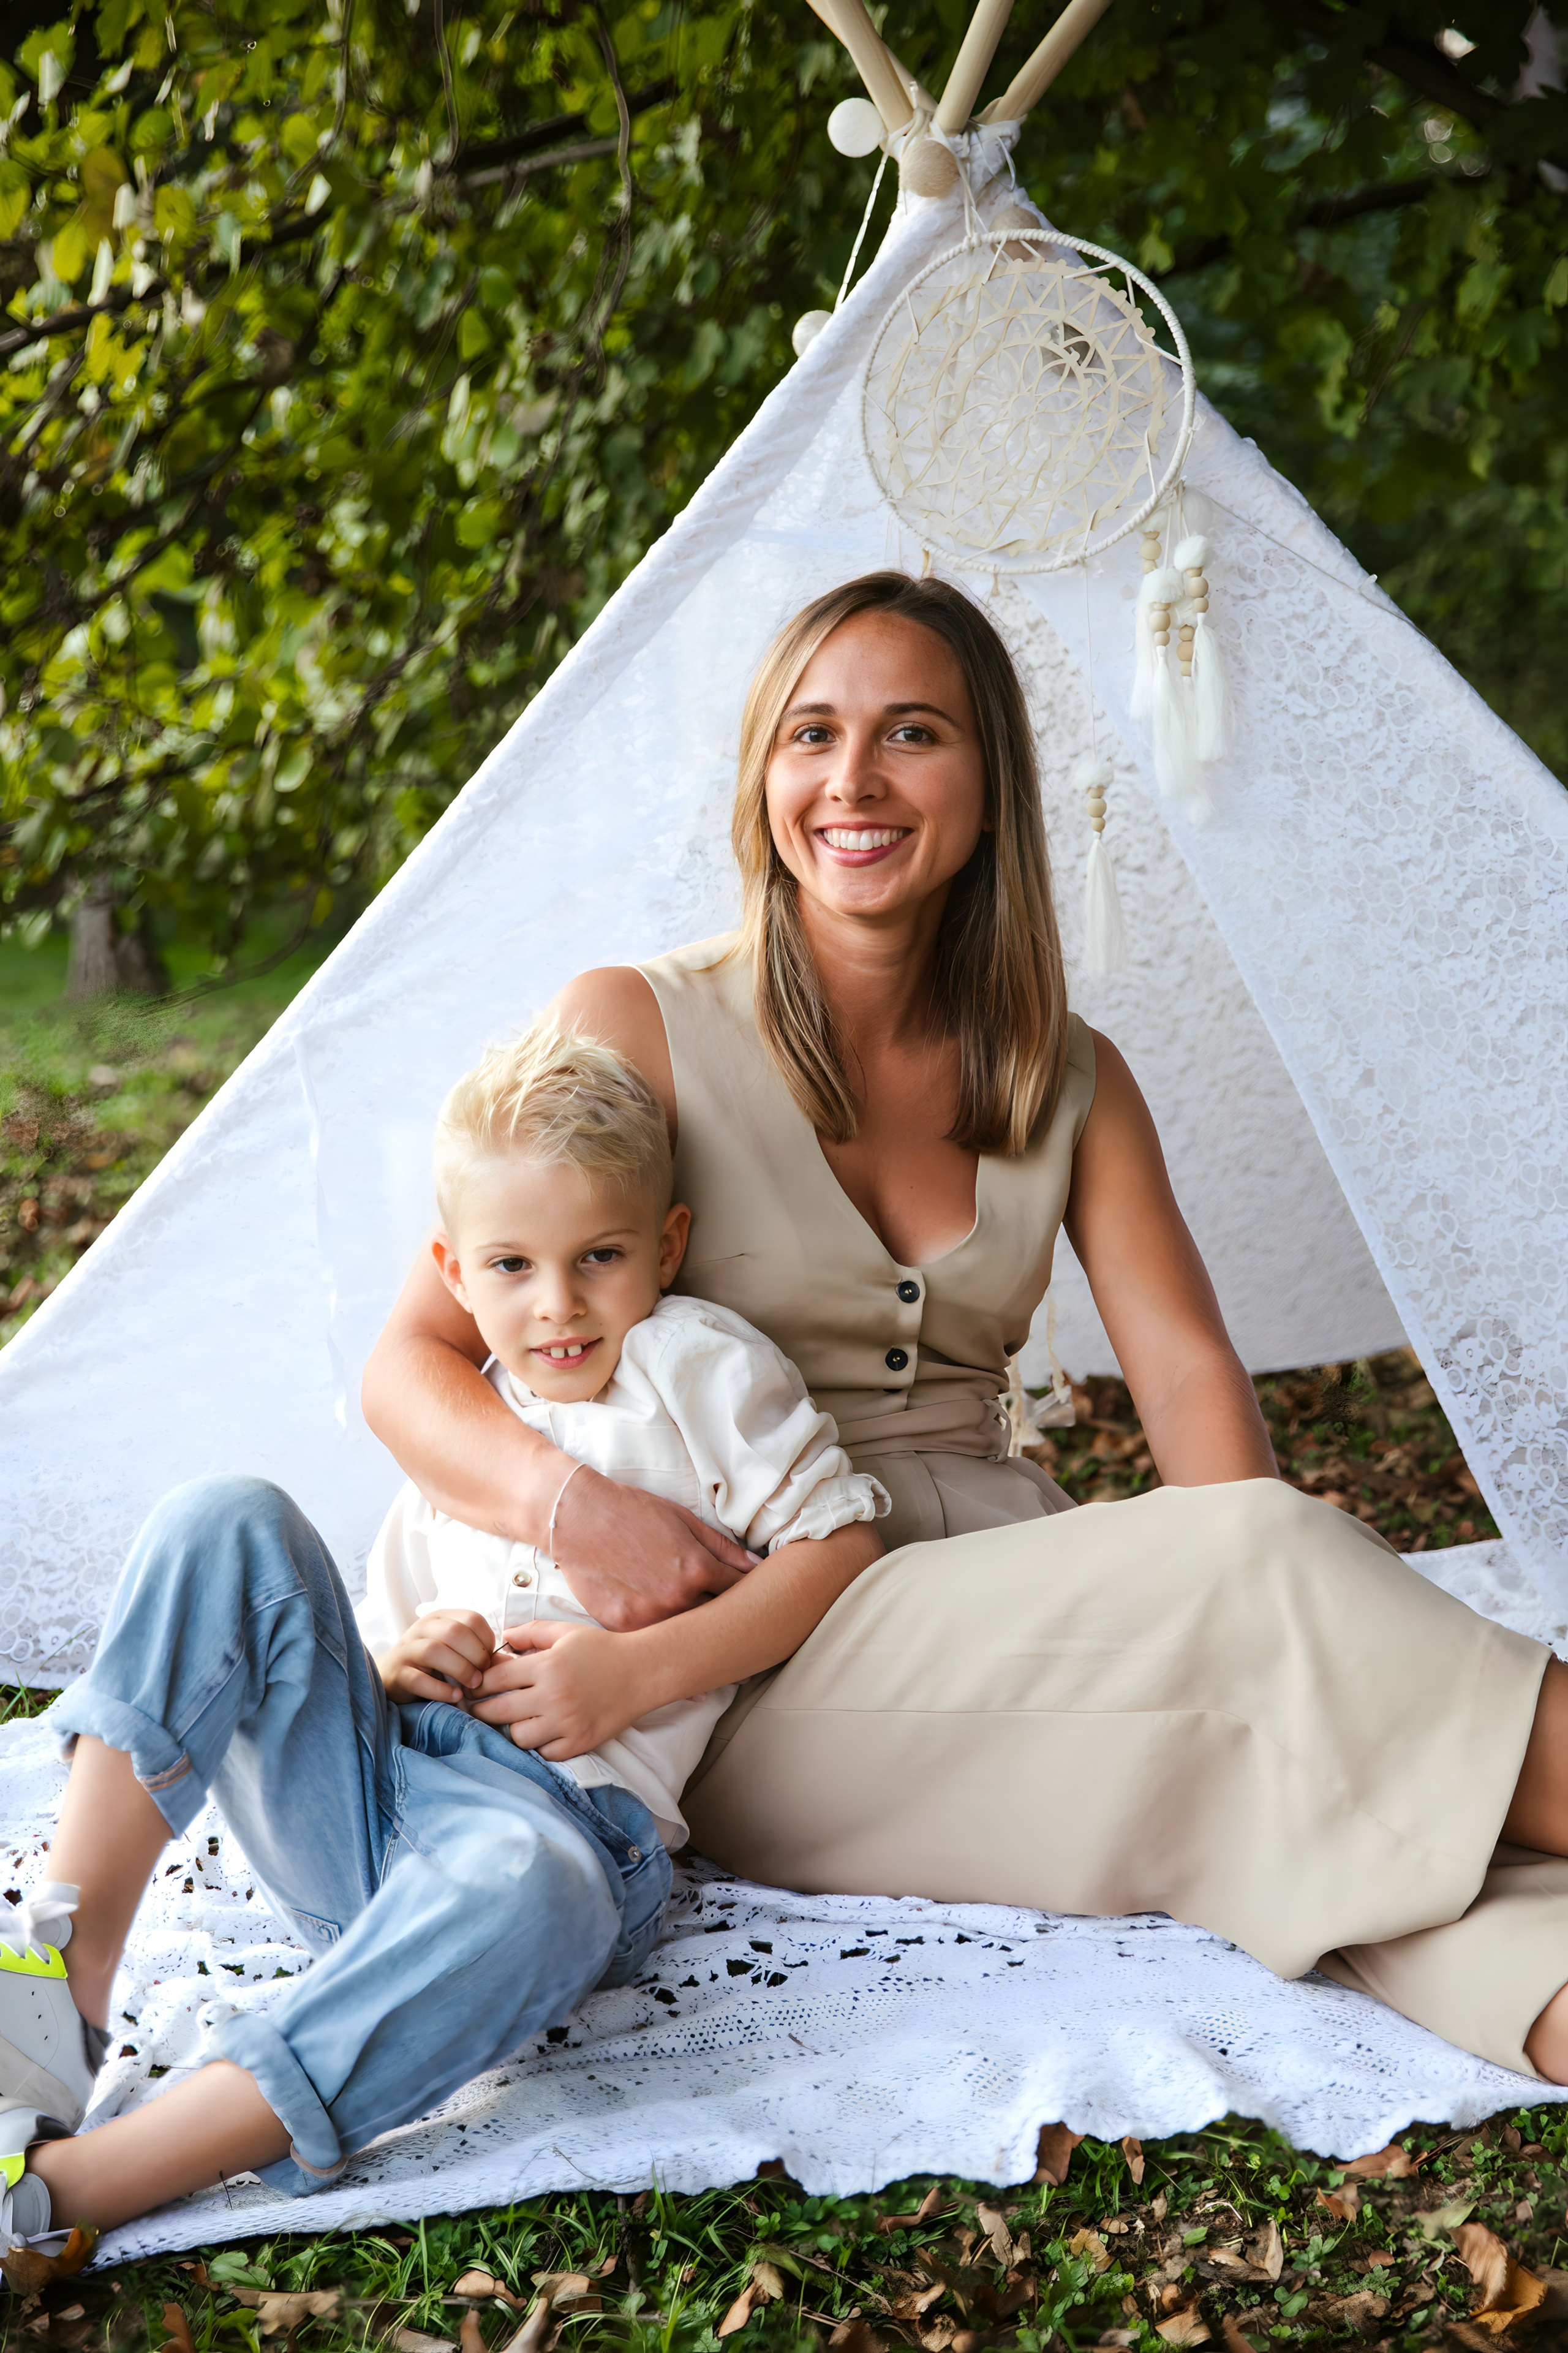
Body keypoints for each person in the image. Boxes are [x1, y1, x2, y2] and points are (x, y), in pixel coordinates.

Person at [362, 569, 1568, 2090]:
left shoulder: (1067, 1074)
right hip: (740, 1656)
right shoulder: (634, 1023)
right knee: (1264, 1610)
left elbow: (1189, 1384)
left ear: (989, 785)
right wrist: (572, 1507)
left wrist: (1238, 1566)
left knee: (1266, 1750)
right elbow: (410, 1361)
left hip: (1003, 1589)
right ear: (762, 776)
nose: (852, 779)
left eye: (910, 732)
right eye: (810, 733)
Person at [0, 1027, 884, 2244]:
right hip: (362, 1803)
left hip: (550, 1836)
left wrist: (634, 1673)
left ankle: (82, 2191)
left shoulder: (699, 1370)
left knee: (539, 1886)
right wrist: (392, 1666)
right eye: (511, 1265)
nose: (557, 1303)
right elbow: (350, 1644)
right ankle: (60, 1987)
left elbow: (838, 1548)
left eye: (600, 1257)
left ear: (665, 1246)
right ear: (452, 1271)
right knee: (225, 1518)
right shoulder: (469, 1418)